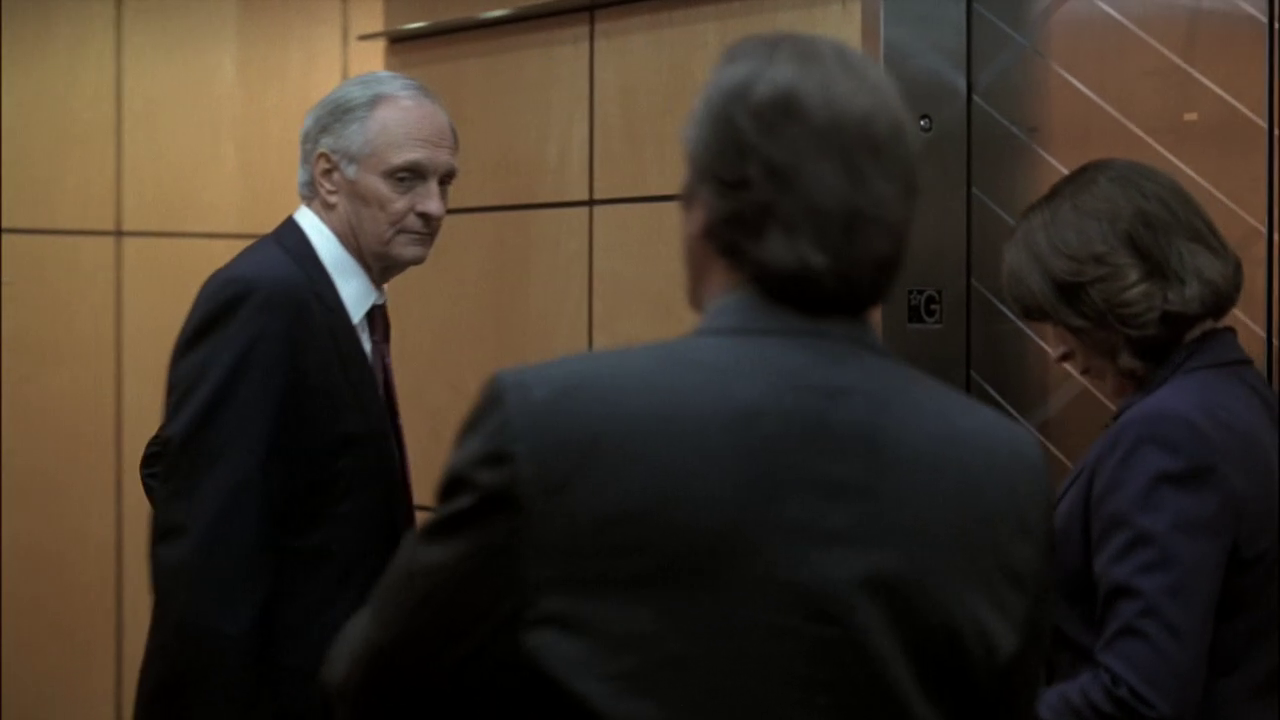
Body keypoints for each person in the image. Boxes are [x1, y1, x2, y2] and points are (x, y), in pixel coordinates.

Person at [323, 34, 1053, 719]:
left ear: (701, 214)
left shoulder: (553, 425)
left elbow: (376, 679)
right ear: (897, 231)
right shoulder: (1000, 469)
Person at [133, 71, 458, 720]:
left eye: (444, 182)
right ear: (330, 176)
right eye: (407, 179)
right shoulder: (266, 296)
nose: (434, 207)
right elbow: (208, 554)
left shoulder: (345, 300)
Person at [1001, 158, 1278, 720]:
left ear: (1114, 299)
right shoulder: (1237, 395)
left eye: (1063, 318)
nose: (1058, 349)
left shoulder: (1169, 435)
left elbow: (1137, 696)